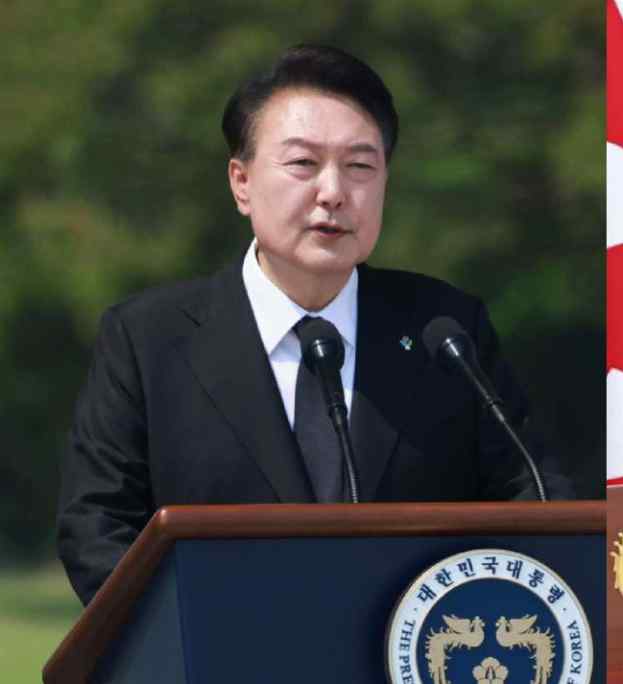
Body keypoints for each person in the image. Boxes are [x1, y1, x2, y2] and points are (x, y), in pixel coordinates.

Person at [57, 45, 569, 606]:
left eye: (360, 167)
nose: (333, 192)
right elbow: (96, 528)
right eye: (303, 164)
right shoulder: (148, 339)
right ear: (241, 182)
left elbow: (534, 498)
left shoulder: (444, 332)